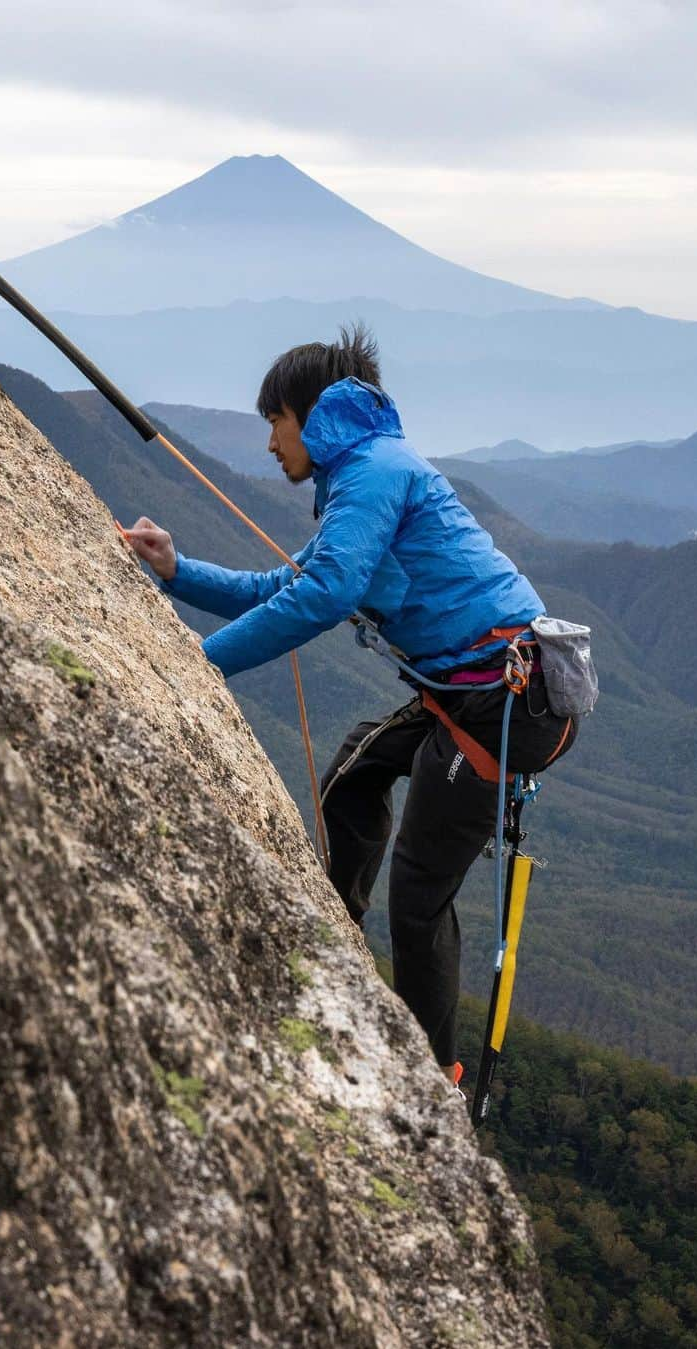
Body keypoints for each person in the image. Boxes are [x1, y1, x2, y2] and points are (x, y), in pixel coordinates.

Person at [126, 325, 577, 1084]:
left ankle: (430, 1080)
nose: (269, 440)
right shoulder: (364, 478)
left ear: (312, 416)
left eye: (275, 419)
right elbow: (283, 588)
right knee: (354, 775)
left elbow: (326, 594)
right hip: (473, 694)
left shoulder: (373, 472)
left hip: (505, 706)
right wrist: (175, 571)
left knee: (419, 894)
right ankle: (333, 939)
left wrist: (195, 667)